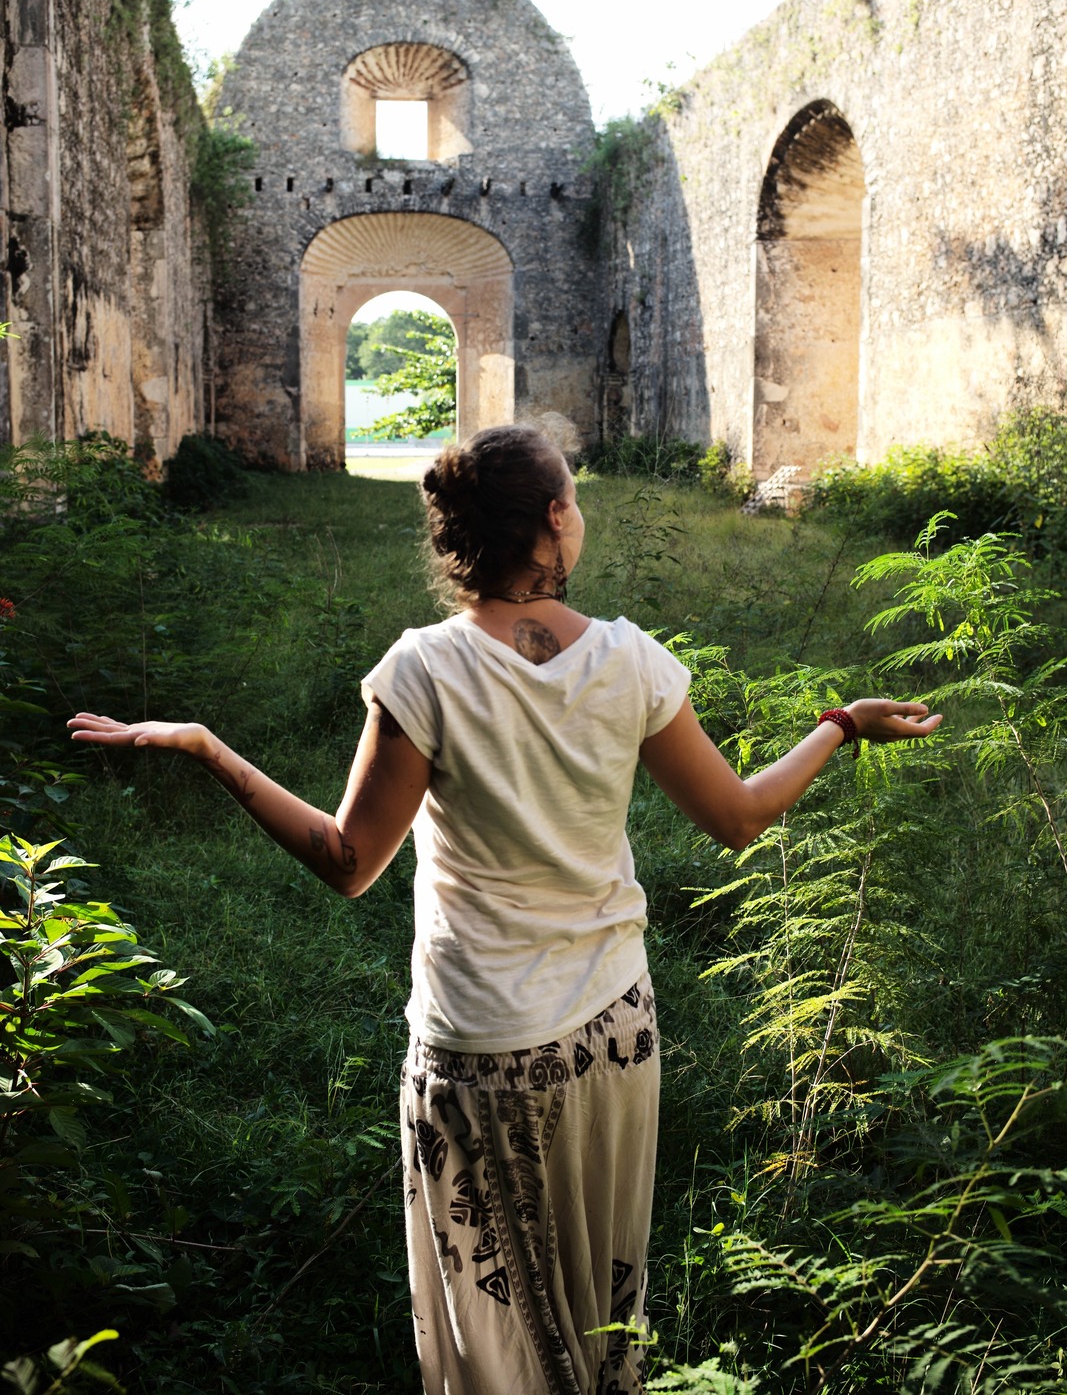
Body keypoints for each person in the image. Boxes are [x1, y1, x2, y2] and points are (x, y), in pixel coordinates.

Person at [69, 424, 941, 1395]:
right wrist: (837, 727)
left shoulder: (424, 668)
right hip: (612, 1034)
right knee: (599, 1309)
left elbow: (351, 862)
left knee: (493, 1322)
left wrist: (209, 748)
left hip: (477, 1045)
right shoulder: (630, 661)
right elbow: (736, 817)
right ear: (555, 520)